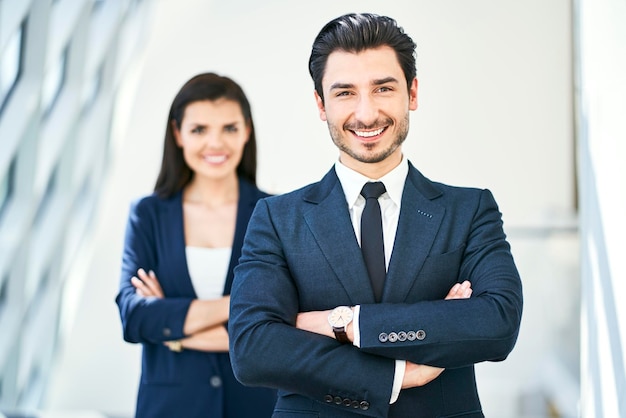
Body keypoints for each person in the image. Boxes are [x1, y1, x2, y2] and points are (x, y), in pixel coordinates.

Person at [228, 13, 523, 418]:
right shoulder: (277, 219)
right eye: (345, 93)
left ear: (412, 93)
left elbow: (497, 323)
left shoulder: (469, 210)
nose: (366, 114)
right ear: (321, 104)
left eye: (383, 88)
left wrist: (347, 324)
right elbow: (253, 349)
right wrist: (398, 374)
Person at [115, 72, 276, 418]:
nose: (215, 143)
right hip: (170, 408)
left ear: (247, 131)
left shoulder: (276, 214)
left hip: (255, 406)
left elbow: (283, 326)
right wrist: (241, 305)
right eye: (199, 129)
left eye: (229, 128)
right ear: (178, 134)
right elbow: (133, 317)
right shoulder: (149, 214)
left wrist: (171, 330)